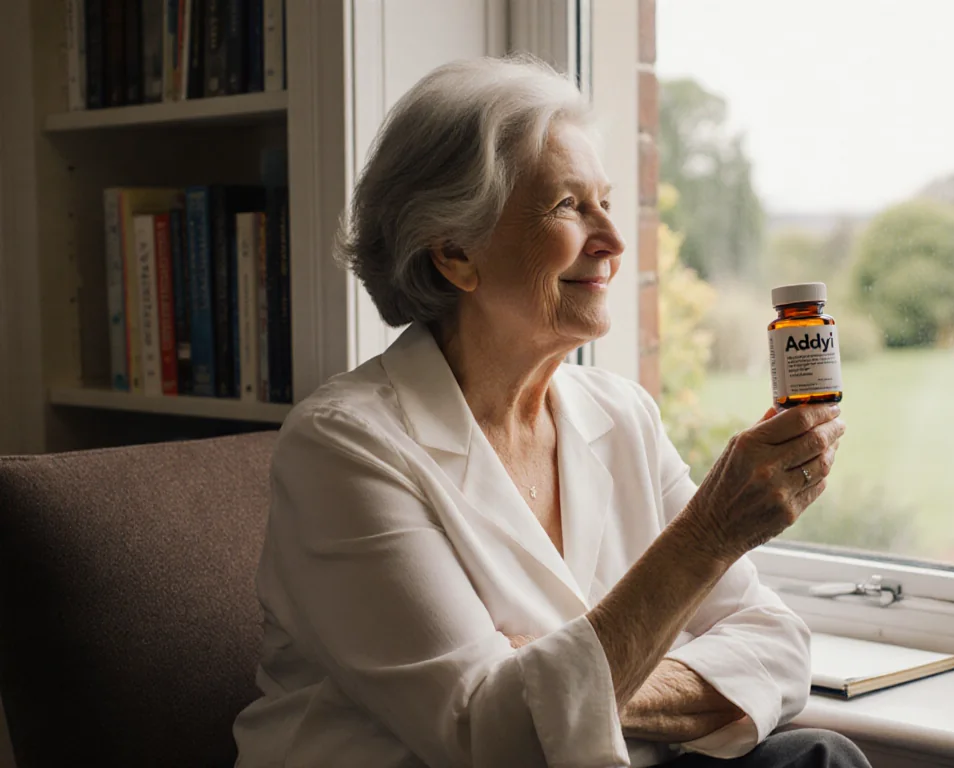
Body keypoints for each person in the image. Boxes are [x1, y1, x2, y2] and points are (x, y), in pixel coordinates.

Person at [232, 56, 862, 768]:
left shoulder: (619, 413)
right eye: (568, 206)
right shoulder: (343, 447)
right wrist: (710, 533)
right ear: (454, 253)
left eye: (605, 201)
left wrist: (574, 691)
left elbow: (777, 649)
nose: (614, 242)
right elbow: (492, 737)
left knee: (818, 757)